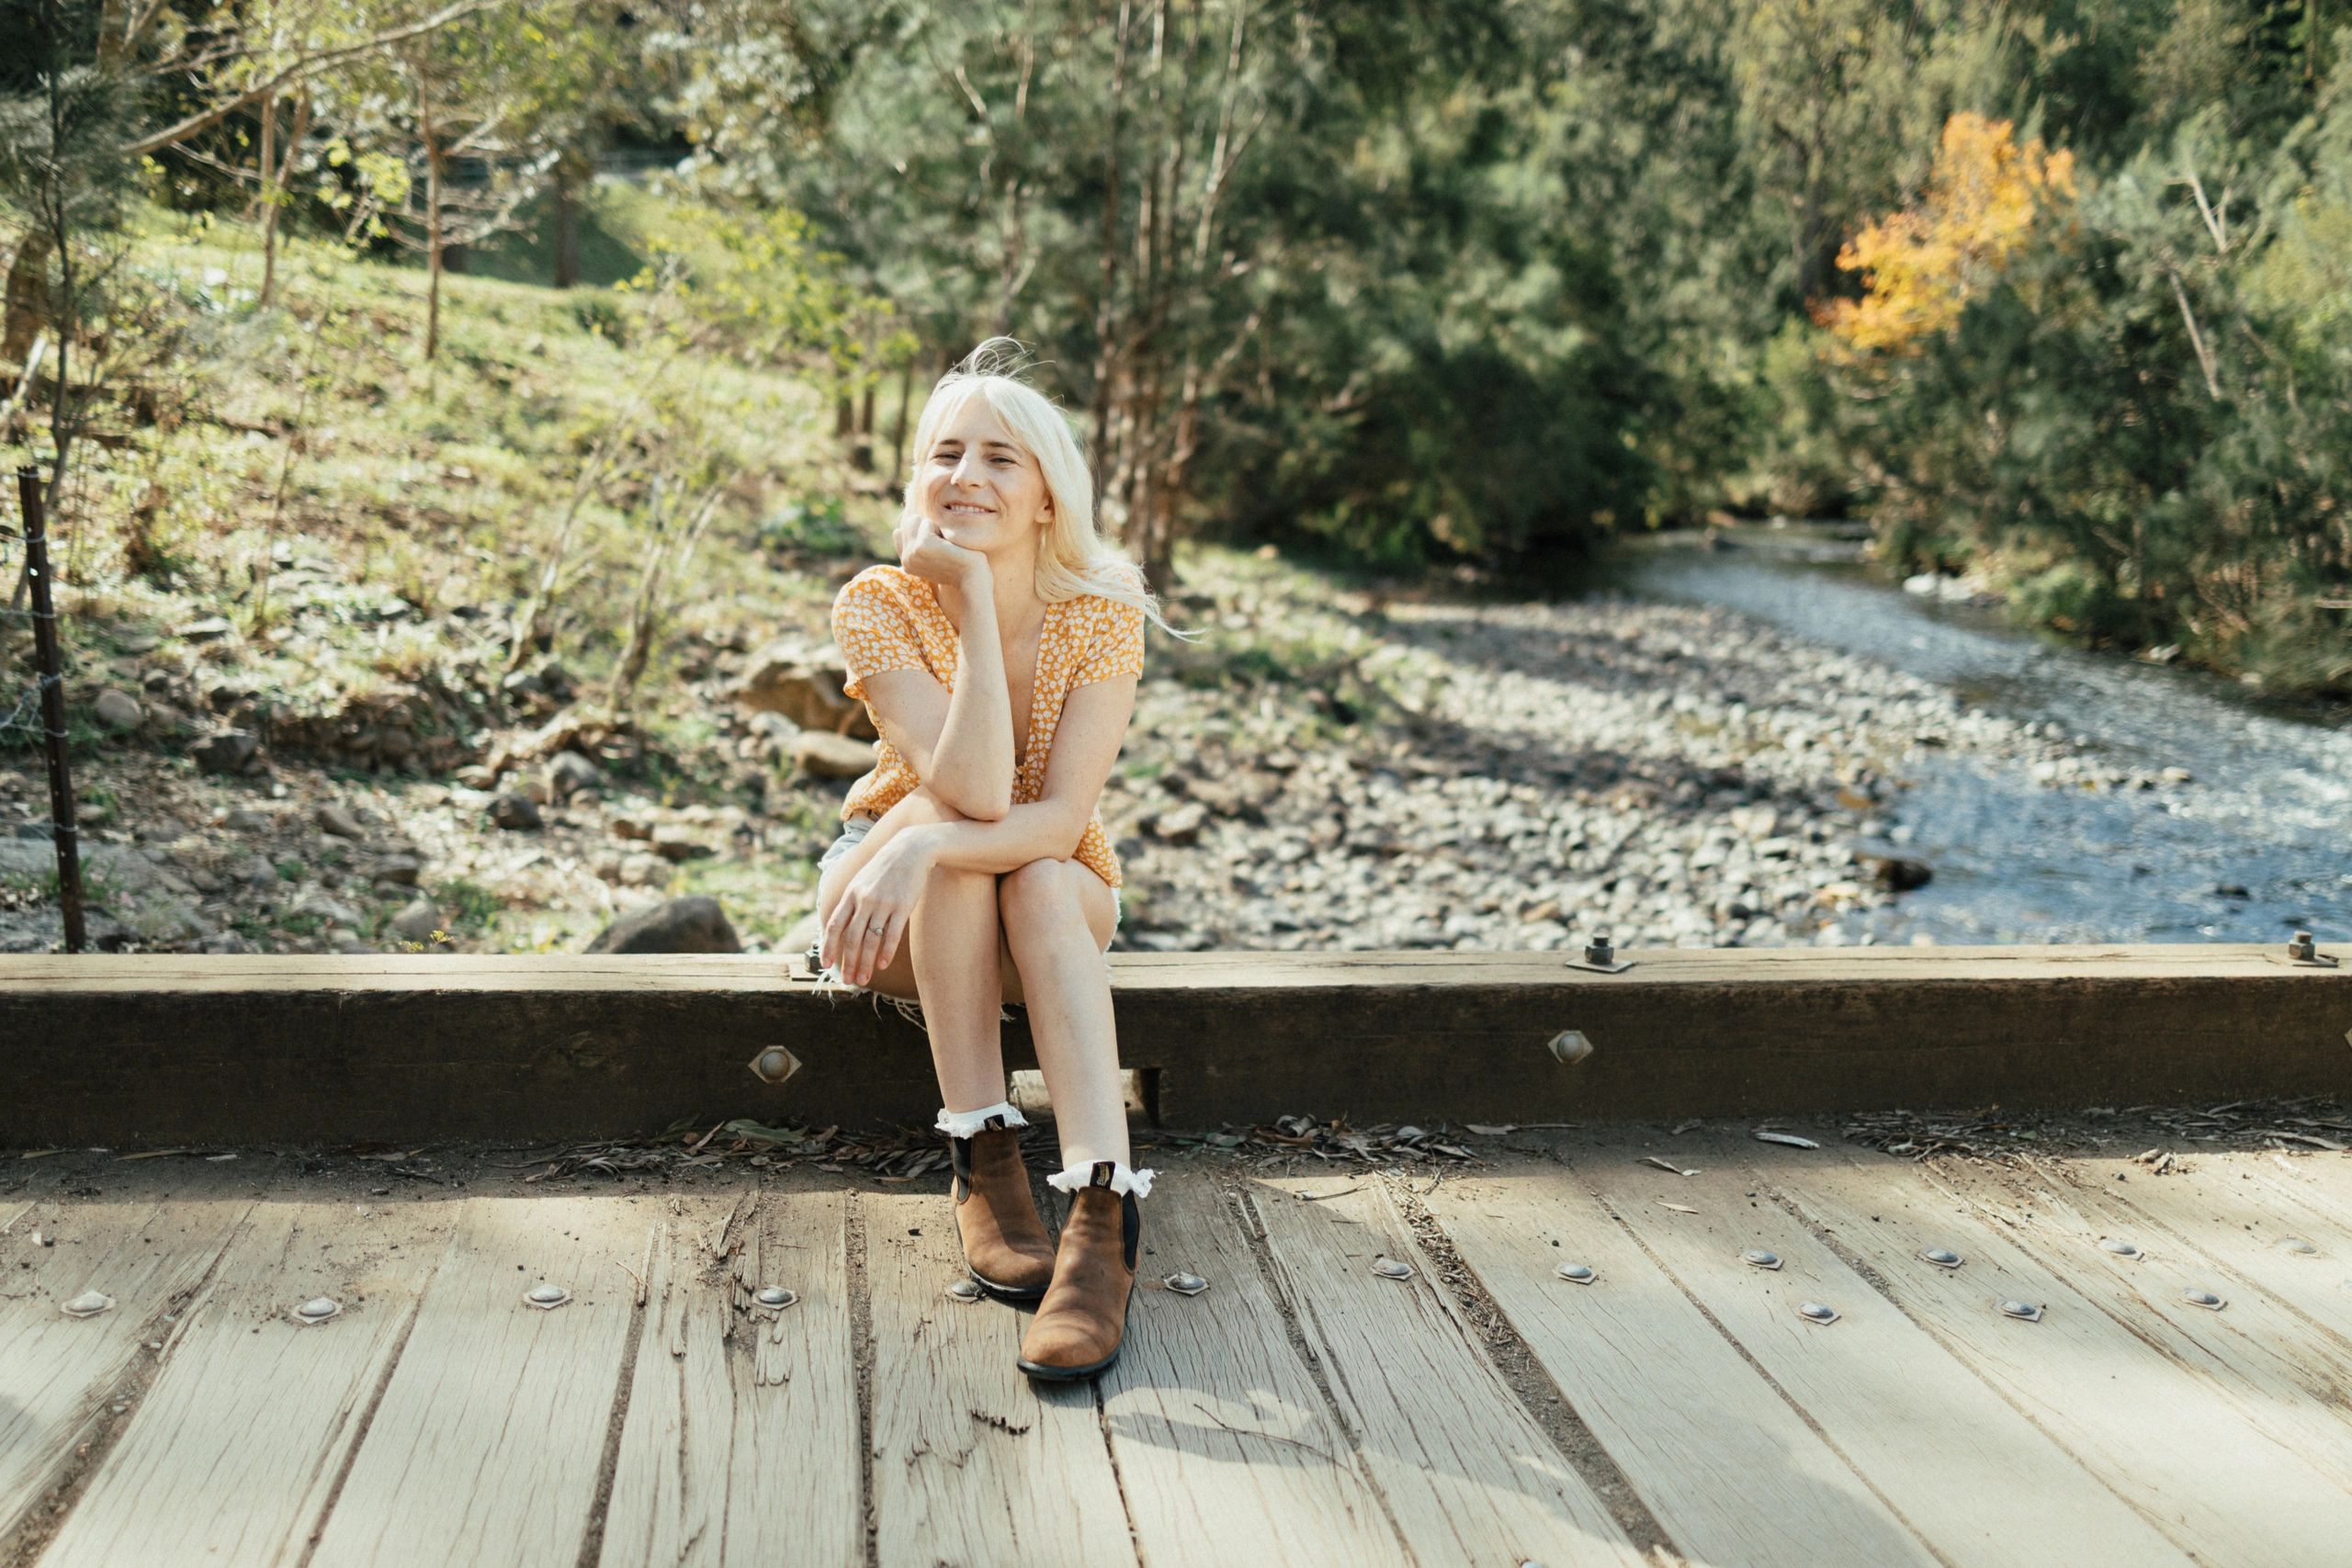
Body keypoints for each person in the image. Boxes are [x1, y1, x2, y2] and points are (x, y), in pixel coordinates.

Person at [815, 340, 1188, 1382]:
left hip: (1043, 878)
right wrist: (971, 608)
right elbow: (974, 785)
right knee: (963, 860)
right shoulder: (879, 601)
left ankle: (1100, 1217)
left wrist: (933, 838)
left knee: (1009, 865)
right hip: (886, 885)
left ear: (1046, 501)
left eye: (999, 459)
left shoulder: (1102, 603)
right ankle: (983, 1155)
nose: (965, 477)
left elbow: (1059, 815)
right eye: (945, 454)